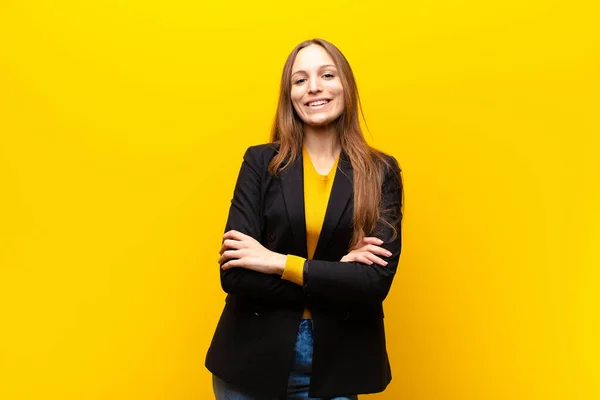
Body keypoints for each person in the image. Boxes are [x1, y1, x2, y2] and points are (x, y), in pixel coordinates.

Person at [205, 38, 403, 400]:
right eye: (300, 80)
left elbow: (374, 282)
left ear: (346, 85)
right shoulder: (259, 163)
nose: (314, 87)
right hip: (251, 358)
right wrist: (336, 274)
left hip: (337, 360)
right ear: (289, 94)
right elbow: (233, 273)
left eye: (327, 75)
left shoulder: (380, 171)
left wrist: (275, 262)